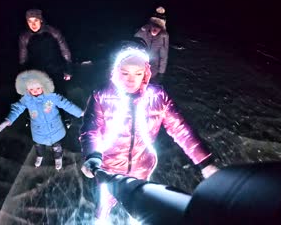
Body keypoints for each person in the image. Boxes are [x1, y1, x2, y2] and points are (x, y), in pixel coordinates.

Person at [79, 45, 219, 222]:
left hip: (142, 166)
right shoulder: (101, 97)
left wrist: (204, 162)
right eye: (125, 73)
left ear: (145, 73)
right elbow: (91, 129)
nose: (131, 79)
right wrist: (92, 155)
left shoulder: (158, 97)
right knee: (105, 201)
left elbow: (181, 128)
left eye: (138, 73)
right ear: (115, 72)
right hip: (108, 167)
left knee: (139, 209)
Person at [0, 70, 84, 170]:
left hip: (55, 127)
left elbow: (66, 104)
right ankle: (39, 156)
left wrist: (80, 113)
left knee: (57, 145)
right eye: (32, 89)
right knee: (38, 145)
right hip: (38, 130)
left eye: (38, 88)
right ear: (27, 89)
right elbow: (17, 108)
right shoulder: (27, 99)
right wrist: (9, 120)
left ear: (43, 86)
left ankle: (58, 157)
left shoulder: (51, 97)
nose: (35, 91)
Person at [19, 9, 73, 95]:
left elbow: (65, 51)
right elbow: (23, 58)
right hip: (37, 74)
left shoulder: (53, 31)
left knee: (60, 97)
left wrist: (68, 69)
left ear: (41, 20)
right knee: (42, 101)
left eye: (36, 20)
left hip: (56, 71)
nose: (33, 24)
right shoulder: (25, 37)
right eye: (29, 21)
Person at [134, 6, 170, 82]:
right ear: (150, 25)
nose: (155, 28)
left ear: (162, 28)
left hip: (153, 70)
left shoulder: (163, 37)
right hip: (139, 67)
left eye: (158, 26)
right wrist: (142, 29)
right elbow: (133, 40)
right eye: (154, 25)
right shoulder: (144, 32)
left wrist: (161, 73)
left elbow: (163, 56)